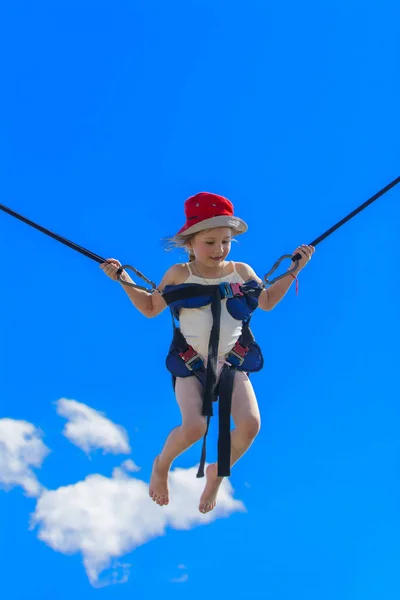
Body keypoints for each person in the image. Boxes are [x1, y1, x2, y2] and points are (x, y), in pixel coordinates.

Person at [100, 192, 315, 514]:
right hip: (191, 363)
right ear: (190, 244)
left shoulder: (241, 271)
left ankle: (217, 472)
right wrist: (122, 278)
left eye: (225, 241)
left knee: (250, 425)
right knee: (195, 427)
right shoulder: (179, 274)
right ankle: (161, 464)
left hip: (231, 361)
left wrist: (296, 267)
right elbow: (149, 307)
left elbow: (267, 300)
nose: (219, 249)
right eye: (210, 242)